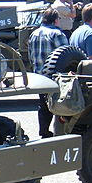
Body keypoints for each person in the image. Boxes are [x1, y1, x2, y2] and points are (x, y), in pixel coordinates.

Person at [28, 8, 69, 138]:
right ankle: (61, 132)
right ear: (56, 20)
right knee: (60, 105)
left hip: (39, 76)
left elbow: (30, 55)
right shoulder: (57, 34)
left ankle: (44, 131)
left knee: (43, 105)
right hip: (54, 76)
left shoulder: (33, 34)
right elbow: (66, 55)